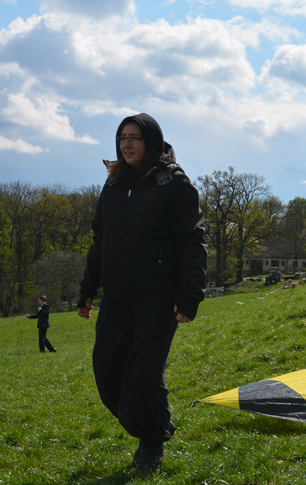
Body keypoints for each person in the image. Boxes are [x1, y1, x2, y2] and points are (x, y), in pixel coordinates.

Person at [77, 113, 207, 476]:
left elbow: (192, 240)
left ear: (150, 141)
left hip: (158, 297)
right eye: (122, 138)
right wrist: (88, 288)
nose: (127, 144)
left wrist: (190, 294)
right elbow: (101, 240)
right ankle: (153, 426)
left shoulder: (175, 184)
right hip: (117, 298)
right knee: (107, 371)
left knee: (144, 373)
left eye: (134, 137)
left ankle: (151, 444)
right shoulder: (114, 182)